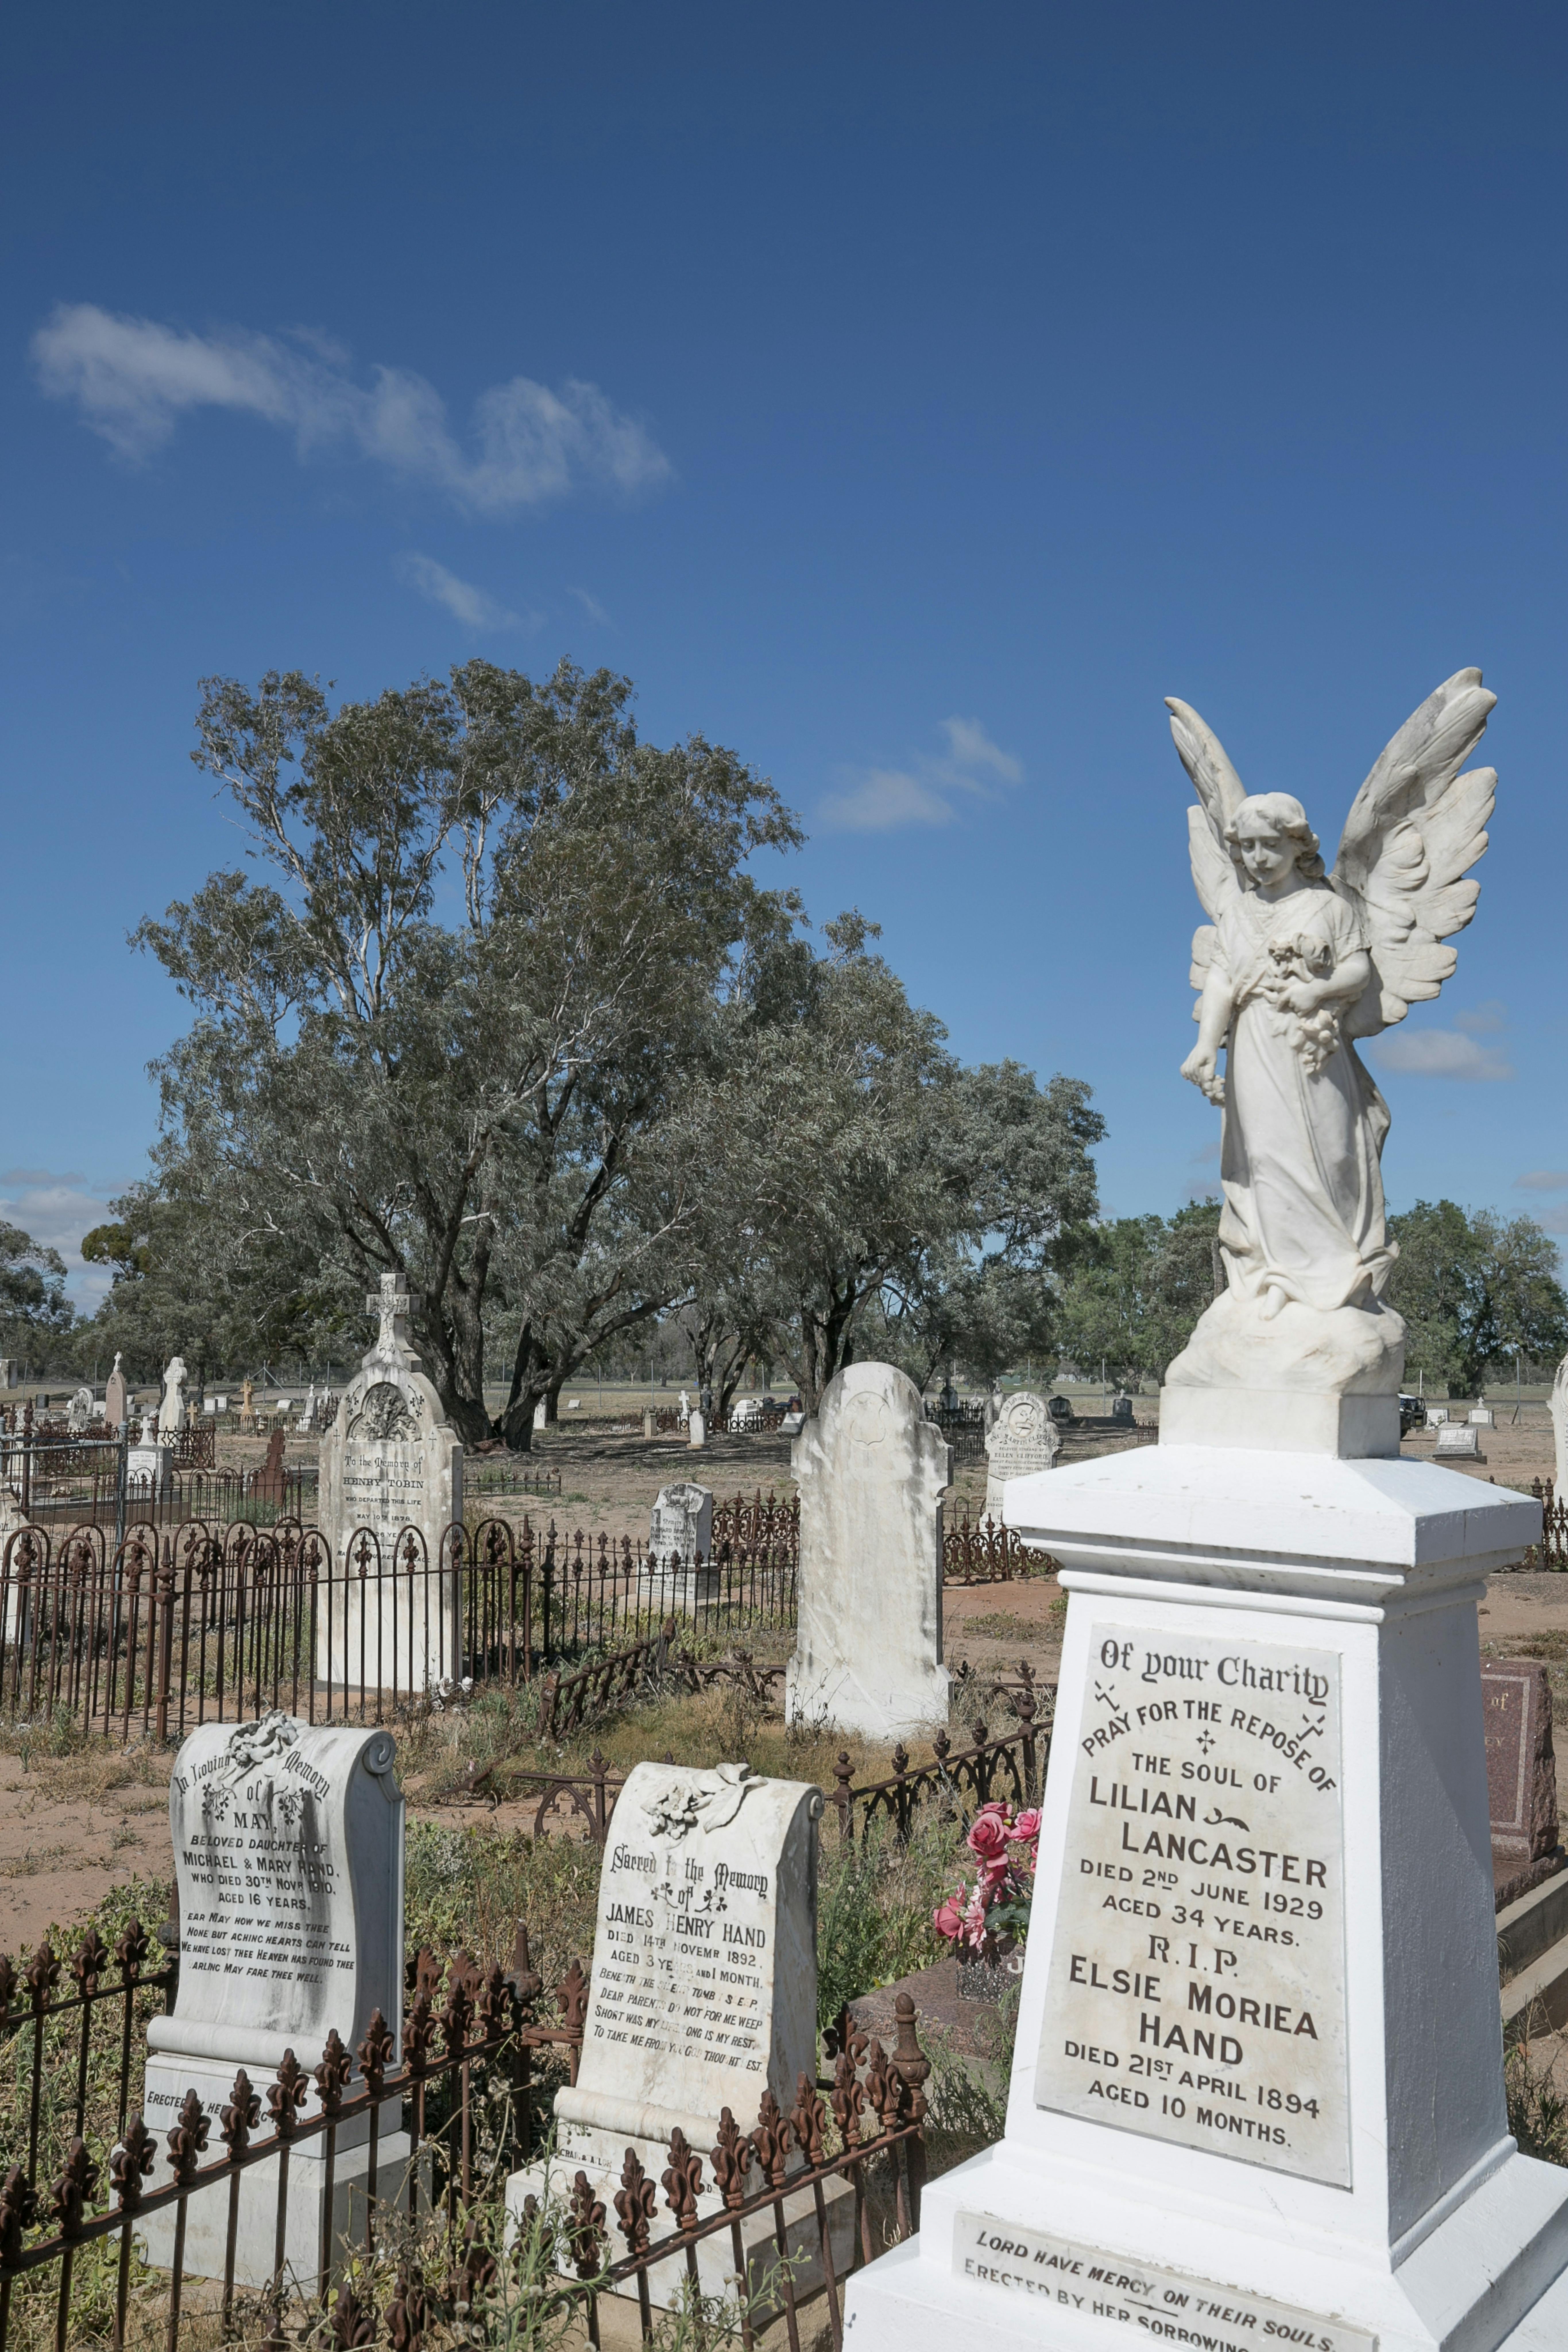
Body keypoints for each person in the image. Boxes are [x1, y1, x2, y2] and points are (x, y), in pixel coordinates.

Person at [1181, 792, 1391, 1321]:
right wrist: (1206, 1045)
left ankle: (1332, 1273)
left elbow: (1358, 972)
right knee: (1267, 1155)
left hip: (1313, 1046)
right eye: (1247, 847)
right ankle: (1279, 1274)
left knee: (1330, 1153)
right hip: (1254, 1042)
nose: (1257, 857)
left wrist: (1315, 993)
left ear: (1297, 845)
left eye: (1269, 845)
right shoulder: (1237, 912)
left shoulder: (1330, 906)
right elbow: (1223, 979)